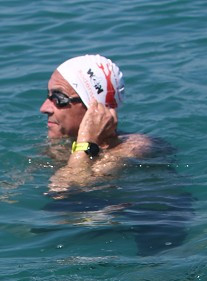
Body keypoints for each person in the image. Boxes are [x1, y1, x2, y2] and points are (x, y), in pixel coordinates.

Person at [39, 54, 154, 190]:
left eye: (58, 98)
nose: (44, 108)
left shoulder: (133, 149)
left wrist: (86, 143)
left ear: (94, 107)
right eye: (48, 96)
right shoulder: (63, 145)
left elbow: (64, 191)